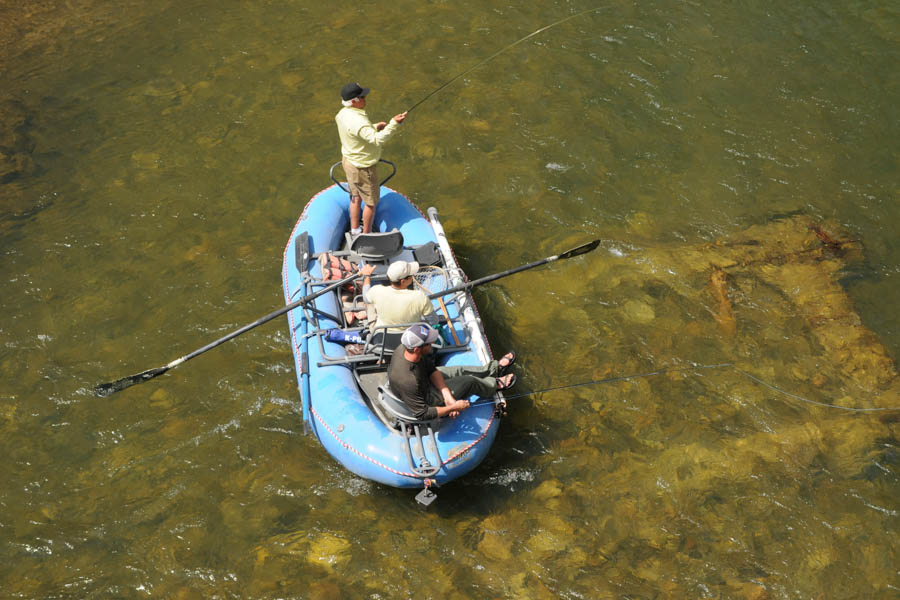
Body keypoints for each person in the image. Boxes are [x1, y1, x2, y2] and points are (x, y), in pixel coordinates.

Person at [387, 324, 517, 421]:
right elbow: (423, 414)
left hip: (424, 378)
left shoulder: (404, 349)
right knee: (469, 381)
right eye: (428, 343)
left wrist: (448, 396)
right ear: (417, 349)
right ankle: (494, 385)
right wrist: (453, 407)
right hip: (427, 397)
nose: (432, 343)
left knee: (459, 370)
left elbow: (431, 369)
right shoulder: (409, 381)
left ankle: (494, 369)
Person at [335, 82, 407, 235]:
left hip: (349, 162)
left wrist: (373, 127)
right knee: (371, 204)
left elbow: (354, 131)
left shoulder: (342, 114)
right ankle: (366, 235)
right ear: (354, 101)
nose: (365, 98)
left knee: (355, 196)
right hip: (363, 169)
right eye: (362, 97)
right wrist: (394, 124)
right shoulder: (359, 121)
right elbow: (377, 140)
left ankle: (355, 229)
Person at [359, 260, 434, 334]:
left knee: (370, 306)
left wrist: (367, 276)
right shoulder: (420, 296)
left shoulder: (376, 291)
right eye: (411, 275)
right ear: (403, 281)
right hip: (410, 337)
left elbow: (365, 298)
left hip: (382, 335)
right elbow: (433, 321)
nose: (413, 276)